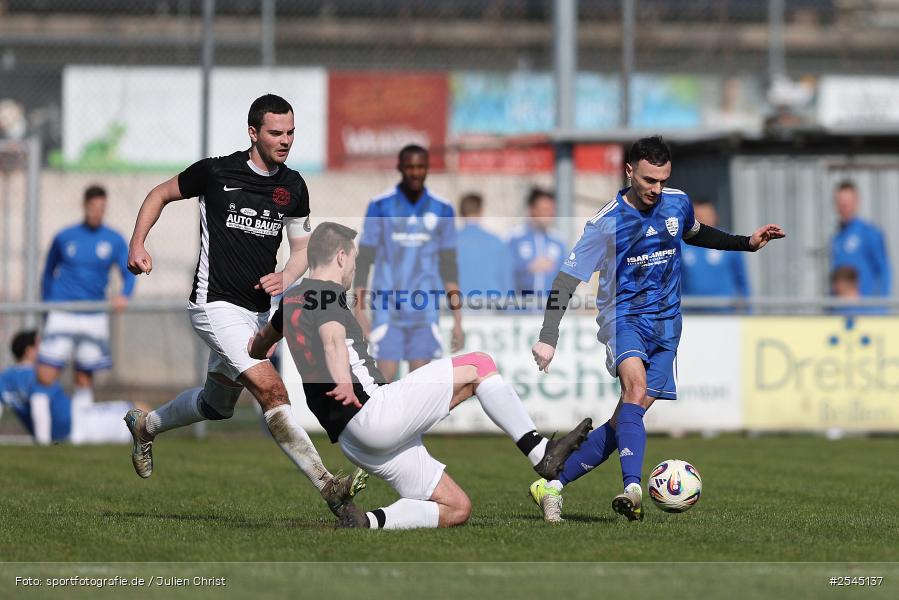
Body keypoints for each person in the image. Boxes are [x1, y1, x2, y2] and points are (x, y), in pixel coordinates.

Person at [249, 222, 592, 529]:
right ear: (340, 256)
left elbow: (262, 342)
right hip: (372, 412)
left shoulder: (291, 299)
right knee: (480, 364)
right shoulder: (328, 294)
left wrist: (256, 347)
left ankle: (365, 521)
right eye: (353, 259)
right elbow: (333, 341)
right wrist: (341, 379)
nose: (354, 268)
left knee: (456, 508)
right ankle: (540, 453)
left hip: (353, 440)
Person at [123, 94, 364, 525]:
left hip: (255, 311)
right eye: (276, 132)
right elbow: (159, 194)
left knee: (217, 406)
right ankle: (329, 487)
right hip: (213, 304)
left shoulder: (293, 186)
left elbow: (303, 248)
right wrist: (138, 242)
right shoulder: (216, 171)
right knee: (272, 390)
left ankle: (146, 426)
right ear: (253, 133)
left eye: (291, 132)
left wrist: (286, 277)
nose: (285, 140)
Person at [529, 136, 785, 522]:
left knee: (623, 422)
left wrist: (746, 243)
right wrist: (549, 335)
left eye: (663, 180)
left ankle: (552, 484)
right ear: (629, 171)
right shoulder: (606, 223)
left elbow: (695, 232)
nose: (656, 189)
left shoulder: (677, 202)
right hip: (624, 318)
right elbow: (566, 280)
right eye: (649, 180)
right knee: (635, 389)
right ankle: (633, 488)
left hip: (668, 325)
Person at [353, 144, 464, 382]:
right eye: (410, 167)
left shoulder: (442, 208)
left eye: (420, 167)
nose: (415, 172)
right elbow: (364, 260)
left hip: (425, 309)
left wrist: (457, 320)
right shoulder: (380, 206)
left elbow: (449, 265)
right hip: (387, 309)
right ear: (400, 168)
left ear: (427, 169)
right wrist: (359, 311)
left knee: (419, 385)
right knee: (385, 381)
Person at [37, 184, 135, 408]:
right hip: (62, 310)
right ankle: (46, 430)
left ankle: (79, 434)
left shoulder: (113, 239)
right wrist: (47, 305)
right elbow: (48, 272)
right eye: (93, 207)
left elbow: (128, 272)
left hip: (93, 314)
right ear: (84, 206)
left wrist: (124, 295)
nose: (97, 212)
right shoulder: (65, 236)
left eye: (102, 208)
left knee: (84, 377)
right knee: (46, 374)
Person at [1, 330, 135, 445]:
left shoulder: (5, 377)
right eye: (41, 345)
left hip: (67, 429)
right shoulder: (36, 375)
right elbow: (39, 404)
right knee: (136, 411)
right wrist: (43, 445)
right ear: (29, 351)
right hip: (79, 424)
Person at [680, 199, 750, 312]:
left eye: (707, 215)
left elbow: (741, 279)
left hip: (724, 314)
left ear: (715, 216)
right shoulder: (680, 244)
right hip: (691, 316)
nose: (703, 220)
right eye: (698, 216)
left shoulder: (730, 242)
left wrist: (748, 310)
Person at [507, 187, 566, 309]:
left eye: (551, 210)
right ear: (532, 210)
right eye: (544, 209)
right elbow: (505, 273)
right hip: (520, 312)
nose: (548, 214)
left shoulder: (559, 241)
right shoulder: (514, 238)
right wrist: (528, 268)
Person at [830, 180, 891, 298]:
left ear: (856, 202)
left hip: (865, 311)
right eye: (840, 203)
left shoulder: (869, 233)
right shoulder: (836, 238)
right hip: (841, 310)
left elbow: (884, 271)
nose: (844, 207)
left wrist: (880, 308)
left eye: (847, 203)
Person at [455, 192, 512, 303]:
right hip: (490, 308)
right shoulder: (497, 243)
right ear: (481, 211)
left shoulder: (447, 243)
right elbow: (507, 282)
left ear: (460, 212)